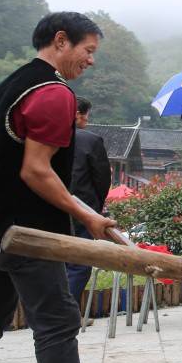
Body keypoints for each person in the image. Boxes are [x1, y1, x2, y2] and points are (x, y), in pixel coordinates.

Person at [0, 12, 138, 363]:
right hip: (27, 232)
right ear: (61, 41)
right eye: (88, 51)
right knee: (58, 320)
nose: (91, 61)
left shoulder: (12, 84)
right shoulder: (55, 94)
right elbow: (37, 172)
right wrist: (88, 215)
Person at [66, 96, 111, 306]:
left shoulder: (47, 137)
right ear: (77, 114)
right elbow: (102, 178)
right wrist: (96, 208)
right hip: (82, 208)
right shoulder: (90, 140)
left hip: (52, 207)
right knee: (79, 264)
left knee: (55, 263)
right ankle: (67, 312)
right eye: (86, 115)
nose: (87, 119)